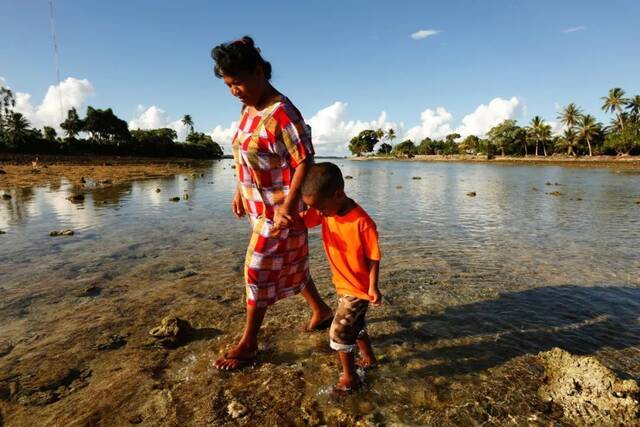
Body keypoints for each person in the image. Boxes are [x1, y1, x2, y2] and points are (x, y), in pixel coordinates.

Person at [211, 36, 332, 371]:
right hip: (256, 205)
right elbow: (241, 153)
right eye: (228, 85)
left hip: (282, 209)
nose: (234, 90)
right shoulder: (248, 107)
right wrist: (238, 190)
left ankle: (249, 343)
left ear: (259, 72)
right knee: (288, 260)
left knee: (257, 268)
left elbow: (305, 160)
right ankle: (321, 310)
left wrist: (290, 207)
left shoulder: (284, 114)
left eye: (238, 82)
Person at [294, 162, 382, 391]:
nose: (319, 213)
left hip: (359, 290)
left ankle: (350, 378)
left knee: (340, 332)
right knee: (356, 327)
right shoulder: (326, 210)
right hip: (343, 285)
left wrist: (373, 287)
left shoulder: (363, 222)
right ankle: (370, 360)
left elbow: (373, 257)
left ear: (338, 194)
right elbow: (304, 220)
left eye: (321, 208)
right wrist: (283, 213)